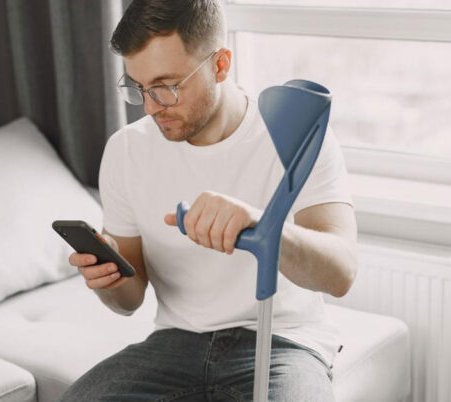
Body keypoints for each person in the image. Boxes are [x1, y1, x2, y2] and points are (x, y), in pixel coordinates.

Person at [56, 1, 358, 401]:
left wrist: (261, 227)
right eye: (139, 88)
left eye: (167, 86)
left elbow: (340, 273)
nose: (150, 107)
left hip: (283, 342)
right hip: (176, 344)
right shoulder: (126, 151)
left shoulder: (293, 135)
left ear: (220, 65)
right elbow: (128, 301)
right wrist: (107, 280)